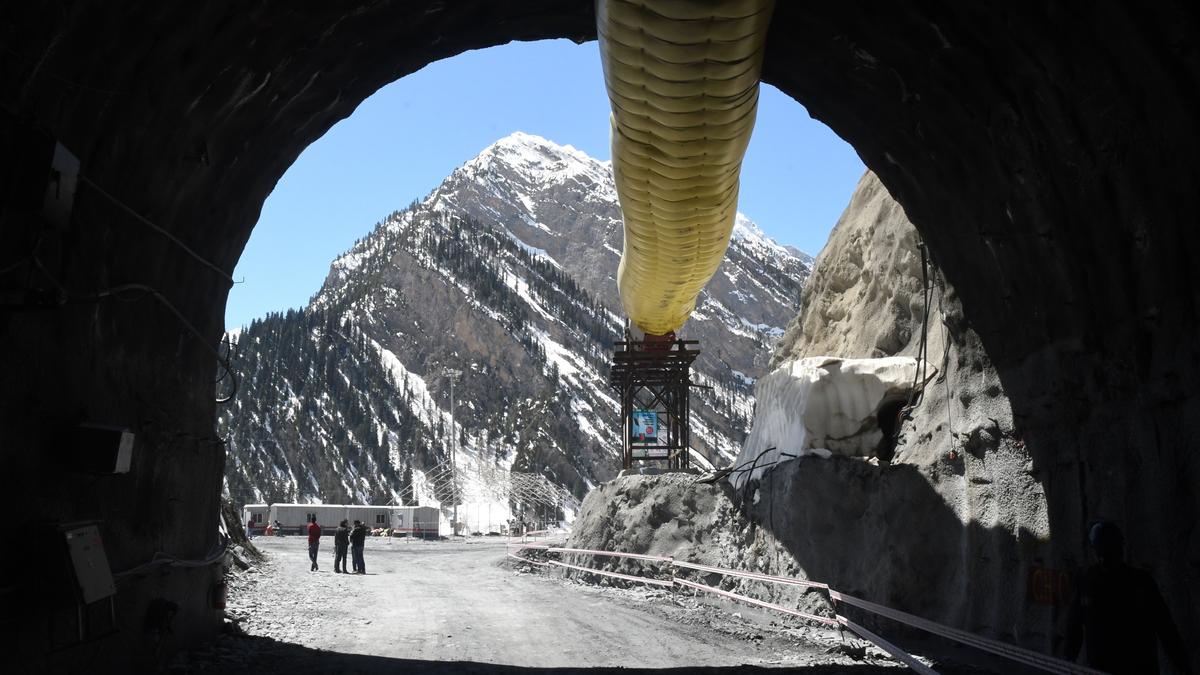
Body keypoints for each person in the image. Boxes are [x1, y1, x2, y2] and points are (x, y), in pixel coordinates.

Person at [1066, 521, 1191, 674]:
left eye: (1107, 552)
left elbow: (1166, 629)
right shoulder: (1088, 583)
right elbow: (1074, 628)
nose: (1103, 558)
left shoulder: (1138, 583)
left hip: (1131, 668)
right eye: (1101, 552)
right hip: (1112, 668)